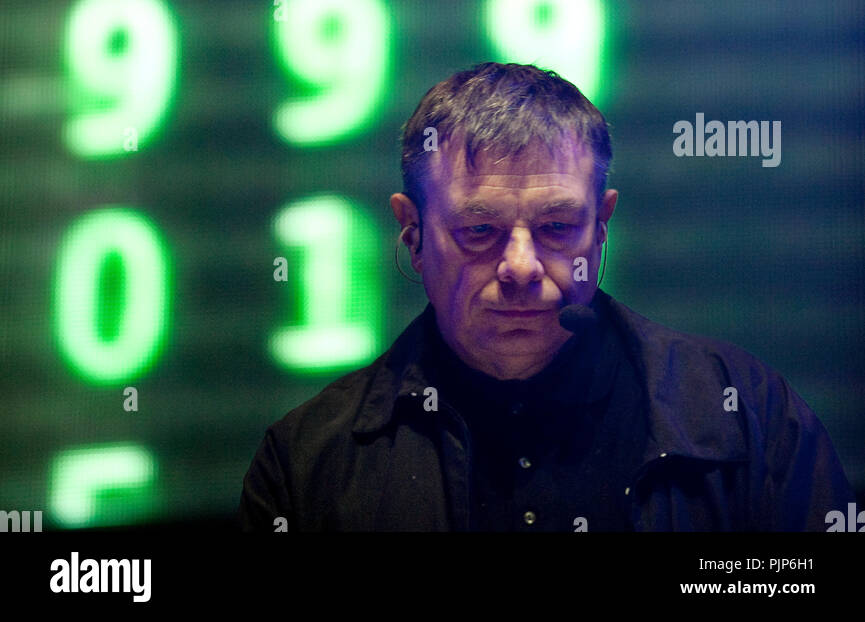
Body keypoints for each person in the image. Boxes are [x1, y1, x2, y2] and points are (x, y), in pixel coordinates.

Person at [238, 62, 852, 532]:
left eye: (558, 227)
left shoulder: (747, 418)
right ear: (412, 233)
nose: (521, 267)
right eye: (479, 231)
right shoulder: (308, 464)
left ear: (602, 225)